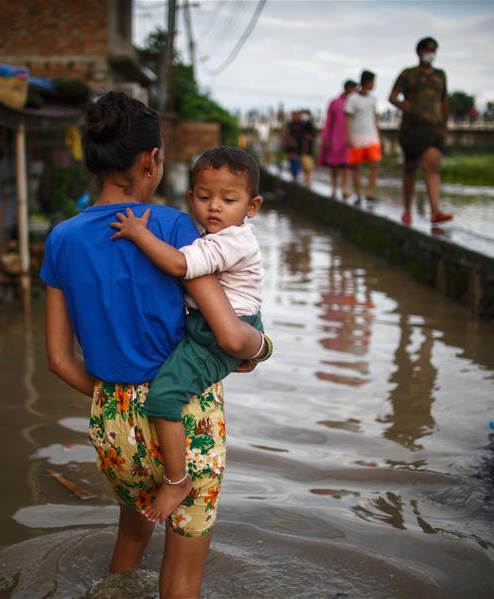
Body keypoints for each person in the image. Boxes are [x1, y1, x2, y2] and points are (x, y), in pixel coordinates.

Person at [41, 92, 269, 598]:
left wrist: (115, 397)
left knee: (130, 533)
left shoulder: (61, 238)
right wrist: (260, 347)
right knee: (182, 578)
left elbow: (59, 361)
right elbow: (228, 329)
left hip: (111, 421)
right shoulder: (173, 228)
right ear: (151, 160)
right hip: (184, 420)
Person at [109, 145, 267, 524]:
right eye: (204, 196)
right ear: (189, 196)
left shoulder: (232, 240)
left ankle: (177, 480)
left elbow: (181, 264)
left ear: (252, 207)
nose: (214, 207)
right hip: (213, 328)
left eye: (228, 199)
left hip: (219, 333)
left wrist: (138, 233)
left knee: (163, 396)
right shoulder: (214, 234)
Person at [389, 36, 454, 225]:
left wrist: (445, 126)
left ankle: (435, 211)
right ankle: (407, 210)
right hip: (412, 130)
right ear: (418, 52)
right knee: (410, 168)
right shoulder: (408, 74)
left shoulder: (440, 75)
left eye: (433, 50)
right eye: (426, 50)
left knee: (433, 164)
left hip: (433, 129)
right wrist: (403, 105)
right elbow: (392, 97)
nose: (430, 54)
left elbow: (444, 101)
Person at [345, 70, 382, 205]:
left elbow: (374, 118)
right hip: (357, 138)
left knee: (375, 164)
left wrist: (378, 134)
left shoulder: (373, 99)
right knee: (356, 167)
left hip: (372, 137)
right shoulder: (352, 99)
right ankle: (358, 193)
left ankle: (370, 193)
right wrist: (349, 137)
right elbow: (347, 119)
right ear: (367, 82)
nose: (374, 85)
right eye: (373, 82)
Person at [319, 80, 356, 199]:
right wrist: (326, 137)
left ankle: (345, 188)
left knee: (346, 165)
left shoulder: (353, 103)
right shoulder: (335, 103)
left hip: (349, 138)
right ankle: (334, 187)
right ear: (348, 88)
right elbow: (329, 121)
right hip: (335, 137)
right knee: (334, 165)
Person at [284, 110, 314, 184]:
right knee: (295, 160)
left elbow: (308, 135)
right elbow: (287, 133)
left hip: (301, 146)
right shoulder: (291, 124)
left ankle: (305, 177)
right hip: (294, 146)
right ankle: (298, 176)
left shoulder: (303, 124)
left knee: (304, 162)